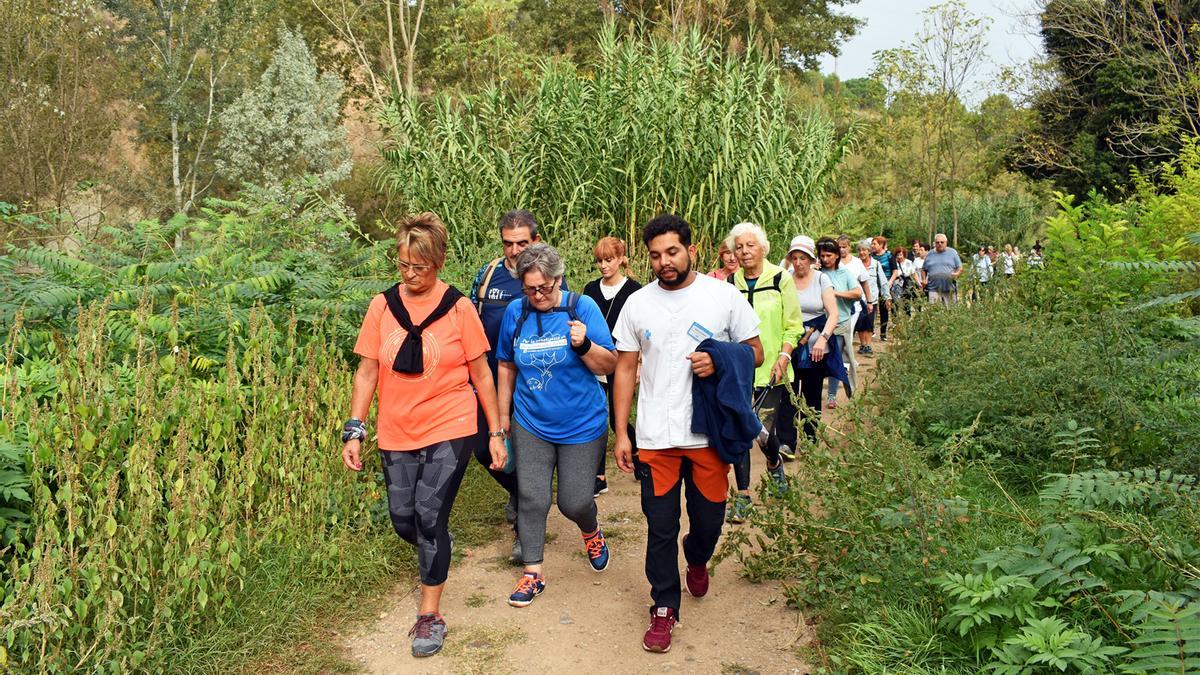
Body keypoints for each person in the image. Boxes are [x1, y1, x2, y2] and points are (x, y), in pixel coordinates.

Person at [343, 212, 506, 658]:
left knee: (429, 517)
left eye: (420, 267)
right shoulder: (382, 307)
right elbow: (367, 372)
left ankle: (429, 614)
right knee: (405, 521)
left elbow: (482, 375)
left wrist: (495, 432)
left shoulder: (459, 308)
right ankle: (438, 547)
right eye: (403, 265)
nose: (410, 274)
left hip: (450, 423)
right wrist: (354, 429)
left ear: (438, 263)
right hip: (396, 429)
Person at [611, 214, 763, 654]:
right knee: (660, 526)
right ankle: (663, 607)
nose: (665, 262)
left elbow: (756, 351)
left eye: (672, 252)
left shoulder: (722, 296)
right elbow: (625, 368)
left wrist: (720, 359)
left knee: (708, 523)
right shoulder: (638, 303)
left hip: (707, 435)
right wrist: (622, 433)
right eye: (655, 255)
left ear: (691, 251)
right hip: (656, 437)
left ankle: (697, 557)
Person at [497, 243, 617, 607]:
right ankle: (533, 573)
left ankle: (591, 531)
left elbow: (609, 364)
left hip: (582, 423)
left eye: (545, 288)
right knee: (532, 497)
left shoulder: (582, 307)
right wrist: (501, 422)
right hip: (531, 421)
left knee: (574, 501)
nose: (537, 295)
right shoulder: (516, 312)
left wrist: (584, 345)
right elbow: (506, 365)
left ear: (559, 279)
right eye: (530, 289)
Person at [468, 210, 568, 562]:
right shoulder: (487, 275)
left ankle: (525, 534)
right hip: (488, 380)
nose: (513, 251)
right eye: (507, 243)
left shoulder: (546, 275)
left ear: (536, 240)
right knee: (482, 448)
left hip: (531, 382)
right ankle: (520, 492)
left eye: (521, 243)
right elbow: (471, 320)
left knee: (526, 458)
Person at [725, 222, 803, 522]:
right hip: (738, 371)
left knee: (762, 432)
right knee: (741, 432)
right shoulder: (730, 284)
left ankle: (773, 461)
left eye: (750, 245)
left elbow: (793, 325)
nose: (744, 252)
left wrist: (783, 357)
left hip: (772, 369)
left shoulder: (781, 279)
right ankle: (743, 496)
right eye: (739, 247)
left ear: (763, 248)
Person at [582, 236, 642, 496]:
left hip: (624, 359)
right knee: (596, 415)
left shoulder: (635, 291)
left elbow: (641, 329)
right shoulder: (590, 290)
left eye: (608, 260)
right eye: (599, 261)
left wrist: (639, 364)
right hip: (595, 358)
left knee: (617, 417)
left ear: (621, 259)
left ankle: (637, 453)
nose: (604, 266)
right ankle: (599, 475)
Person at [774, 235, 840, 451]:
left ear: (812, 260)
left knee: (811, 394)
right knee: (787, 393)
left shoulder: (821, 279)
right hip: (791, 345)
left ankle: (810, 440)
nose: (798, 262)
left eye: (803, 258)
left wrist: (822, 339)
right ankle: (786, 442)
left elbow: (833, 314)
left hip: (815, 347)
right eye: (794, 258)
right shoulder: (785, 279)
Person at [826, 235, 869, 408]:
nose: (825, 259)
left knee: (835, 358)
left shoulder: (847, 270)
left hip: (842, 320)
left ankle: (832, 395)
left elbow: (859, 290)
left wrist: (835, 293)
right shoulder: (817, 272)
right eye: (822, 255)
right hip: (820, 323)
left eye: (829, 255)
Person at [855, 239, 890, 358]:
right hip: (858, 299)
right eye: (860, 250)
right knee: (860, 323)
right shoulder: (855, 264)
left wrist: (887, 296)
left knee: (869, 322)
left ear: (869, 251)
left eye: (864, 250)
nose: (862, 252)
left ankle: (868, 345)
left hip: (872, 298)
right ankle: (862, 344)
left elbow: (883, 281)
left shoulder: (876, 264)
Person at [924, 233, 963, 306]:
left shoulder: (953, 252)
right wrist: (924, 279)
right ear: (935, 243)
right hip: (933, 289)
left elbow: (960, 267)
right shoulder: (930, 254)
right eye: (937, 242)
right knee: (934, 311)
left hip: (949, 289)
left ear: (946, 242)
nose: (940, 244)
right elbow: (924, 269)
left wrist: (957, 274)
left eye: (942, 242)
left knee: (951, 310)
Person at [870, 236, 896, 342]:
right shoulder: (871, 256)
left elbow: (895, 271)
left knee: (884, 309)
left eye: (874, 244)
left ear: (881, 245)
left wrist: (890, 282)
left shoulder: (889, 255)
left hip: (885, 286)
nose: (872, 246)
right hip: (873, 285)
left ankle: (883, 332)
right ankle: (870, 330)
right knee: (871, 308)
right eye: (872, 244)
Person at [892, 246, 918, 316]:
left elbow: (914, 273)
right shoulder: (894, 262)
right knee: (895, 303)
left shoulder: (909, 262)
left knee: (906, 302)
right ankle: (896, 319)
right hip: (896, 284)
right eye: (898, 255)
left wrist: (918, 283)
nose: (899, 257)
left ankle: (907, 317)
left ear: (904, 254)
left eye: (901, 255)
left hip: (906, 284)